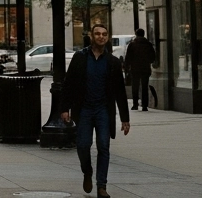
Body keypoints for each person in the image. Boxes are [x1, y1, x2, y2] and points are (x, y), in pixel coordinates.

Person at [60, 22, 130, 198]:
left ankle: (101, 186)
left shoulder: (113, 62)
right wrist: (64, 108)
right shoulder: (80, 58)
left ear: (107, 37)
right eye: (97, 34)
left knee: (103, 146)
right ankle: (87, 171)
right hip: (84, 109)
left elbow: (120, 92)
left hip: (103, 111)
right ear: (92, 36)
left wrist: (125, 118)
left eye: (104, 34)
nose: (101, 37)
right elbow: (69, 83)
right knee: (83, 145)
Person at [123, 28, 158, 112]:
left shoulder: (132, 44)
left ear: (136, 34)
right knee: (144, 86)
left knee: (135, 86)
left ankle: (135, 104)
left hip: (135, 68)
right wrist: (148, 62)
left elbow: (128, 57)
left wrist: (127, 67)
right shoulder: (148, 44)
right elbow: (153, 56)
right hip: (145, 68)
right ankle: (144, 105)